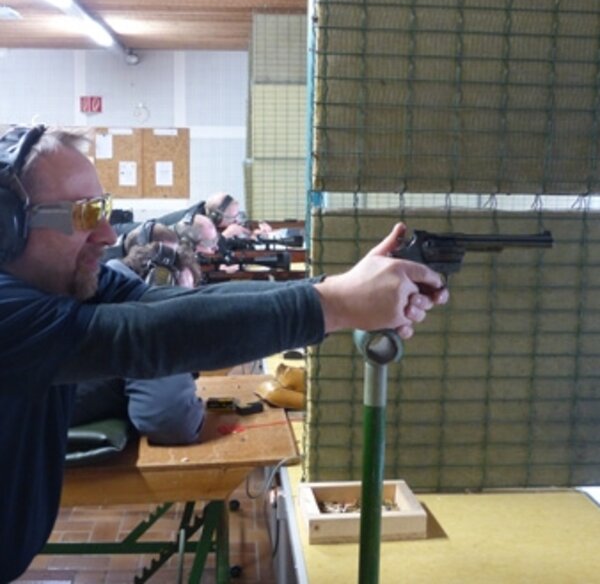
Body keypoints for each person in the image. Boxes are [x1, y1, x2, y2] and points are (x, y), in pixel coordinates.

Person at [0, 125, 448, 582]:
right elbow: (146, 336)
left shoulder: (60, 280)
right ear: (5, 225)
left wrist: (336, 289)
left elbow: (166, 305)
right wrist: (336, 304)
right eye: (82, 214)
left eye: (103, 209)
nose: (106, 233)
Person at [72, 221, 205, 445]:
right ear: (159, 283)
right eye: (181, 296)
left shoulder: (102, 291)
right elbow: (170, 420)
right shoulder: (139, 319)